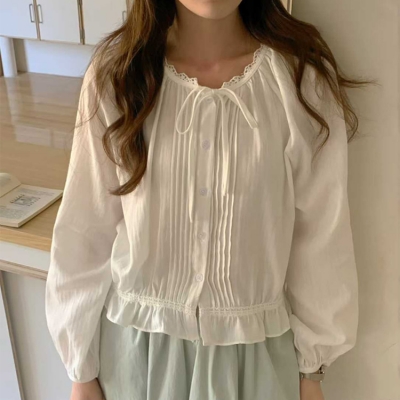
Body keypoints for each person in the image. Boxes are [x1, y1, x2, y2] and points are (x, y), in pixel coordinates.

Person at [45, 1, 370, 399]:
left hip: (256, 363)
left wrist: (312, 370)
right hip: (135, 361)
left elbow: (321, 239)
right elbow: (85, 229)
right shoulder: (119, 75)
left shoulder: (300, 83)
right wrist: (81, 370)